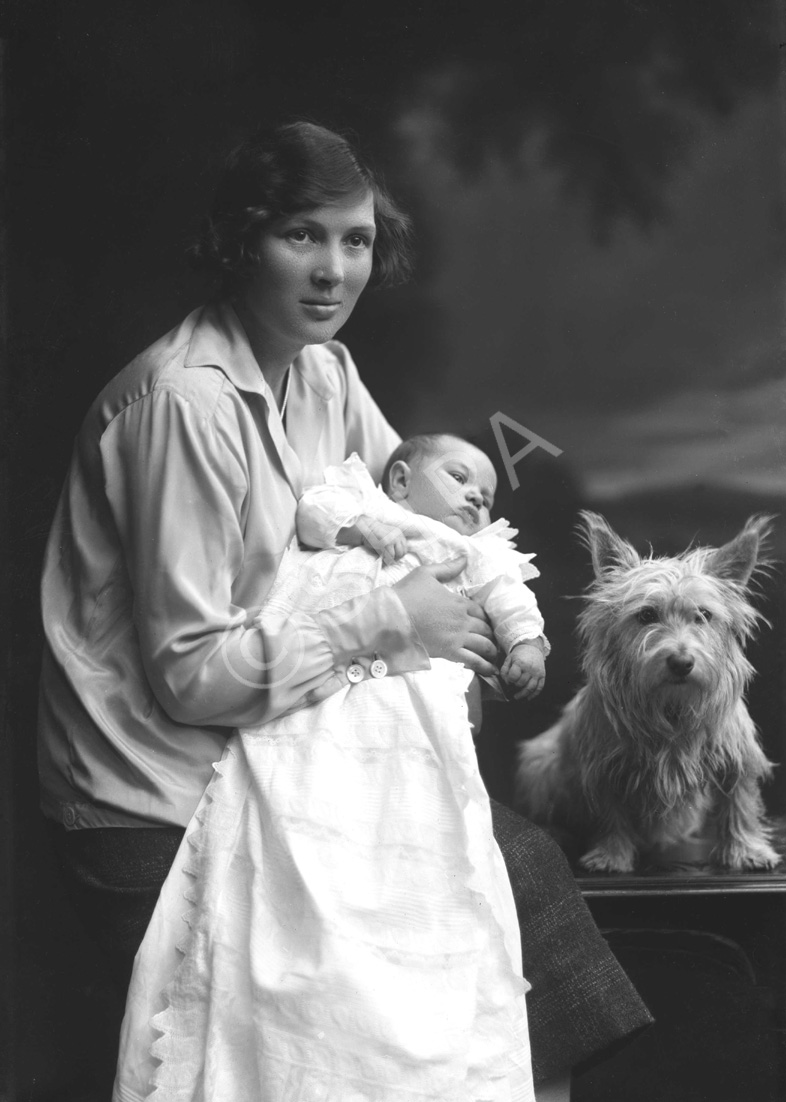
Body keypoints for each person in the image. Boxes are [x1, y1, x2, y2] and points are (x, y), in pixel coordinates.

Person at [38, 120, 652, 1098]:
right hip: (158, 797)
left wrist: (474, 616)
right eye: (302, 236)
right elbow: (193, 675)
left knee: (516, 882)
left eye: (355, 240)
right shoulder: (185, 405)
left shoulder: (326, 374)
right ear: (242, 241)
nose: (333, 271)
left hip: (292, 763)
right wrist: (393, 625)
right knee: (329, 1032)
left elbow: (413, 534)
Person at [114, 435, 548, 1101]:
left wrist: (527, 645)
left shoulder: (473, 552)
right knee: (299, 799)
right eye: (459, 476)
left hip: (409, 703)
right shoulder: (360, 499)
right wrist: (360, 524)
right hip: (311, 687)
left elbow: (512, 599)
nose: (473, 497)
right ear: (399, 479)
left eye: (484, 494)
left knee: (417, 825)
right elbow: (314, 511)